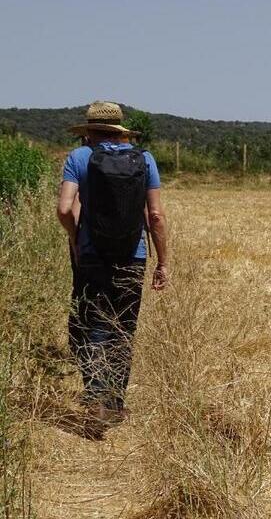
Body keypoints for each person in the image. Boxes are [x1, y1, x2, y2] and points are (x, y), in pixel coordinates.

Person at [56, 101, 169, 438]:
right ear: (120, 130)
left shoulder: (78, 158)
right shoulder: (144, 159)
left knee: (93, 325)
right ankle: (116, 403)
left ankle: (94, 398)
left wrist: (77, 237)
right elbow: (156, 217)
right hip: (132, 256)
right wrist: (162, 262)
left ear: (88, 130)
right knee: (123, 327)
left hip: (92, 254)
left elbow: (64, 208)